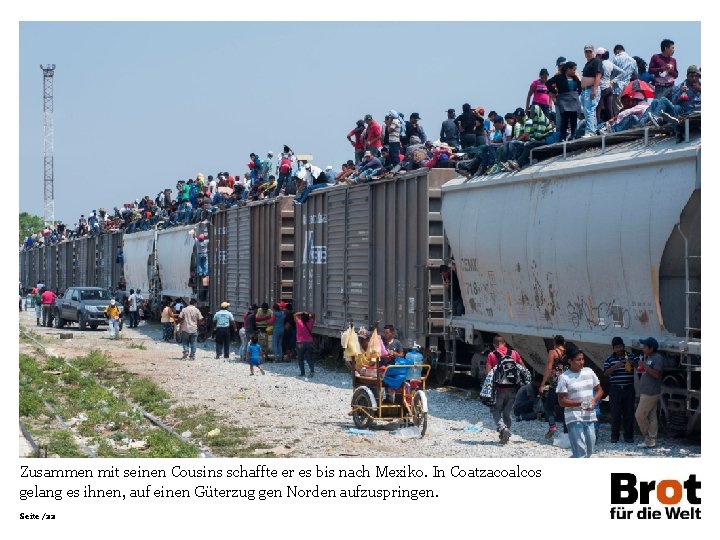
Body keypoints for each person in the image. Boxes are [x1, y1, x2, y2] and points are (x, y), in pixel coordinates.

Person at [557, 347, 604, 458]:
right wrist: (580, 404)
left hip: (589, 416)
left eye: (582, 359)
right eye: (578, 360)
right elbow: (561, 401)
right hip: (573, 417)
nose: (581, 362)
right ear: (570, 361)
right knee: (580, 451)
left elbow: (599, 390)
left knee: (590, 449)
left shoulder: (589, 372)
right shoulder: (564, 378)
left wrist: (593, 400)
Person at [485, 335, 525, 444]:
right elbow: (523, 368)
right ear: (505, 343)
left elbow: (488, 374)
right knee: (507, 413)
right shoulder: (514, 353)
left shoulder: (492, 355)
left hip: (499, 389)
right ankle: (506, 433)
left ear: (494, 345)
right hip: (512, 389)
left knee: (495, 410)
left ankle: (503, 429)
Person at [603, 337, 638, 443]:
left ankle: (628, 436)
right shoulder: (610, 359)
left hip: (628, 388)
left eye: (621, 346)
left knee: (629, 413)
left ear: (623, 346)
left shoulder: (630, 356)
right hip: (615, 388)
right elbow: (605, 373)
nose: (619, 349)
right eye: (617, 347)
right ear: (613, 349)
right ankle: (614, 436)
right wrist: (615, 366)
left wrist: (631, 363)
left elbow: (639, 366)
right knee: (615, 413)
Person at [634, 337, 667, 449]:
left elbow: (656, 374)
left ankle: (649, 437)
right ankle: (651, 440)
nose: (643, 348)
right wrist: (641, 366)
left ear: (651, 348)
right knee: (652, 416)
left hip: (651, 392)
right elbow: (647, 372)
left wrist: (644, 365)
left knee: (639, 415)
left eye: (645, 346)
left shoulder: (657, 358)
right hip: (647, 391)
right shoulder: (649, 357)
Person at [539, 335, 567, 439]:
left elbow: (549, 368)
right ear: (564, 343)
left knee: (549, 407)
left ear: (554, 343)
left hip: (555, 384)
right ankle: (566, 433)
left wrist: (543, 384)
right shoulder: (567, 353)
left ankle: (552, 426)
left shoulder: (553, 352)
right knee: (565, 408)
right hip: (566, 384)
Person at [546, 61, 582, 141]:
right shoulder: (559, 78)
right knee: (564, 119)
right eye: (573, 69)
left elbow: (580, 86)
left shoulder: (575, 78)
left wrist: (577, 93)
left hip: (573, 100)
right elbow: (548, 83)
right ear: (568, 69)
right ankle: (563, 137)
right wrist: (554, 92)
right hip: (564, 100)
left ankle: (573, 135)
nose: (574, 71)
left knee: (573, 119)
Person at [580, 43, 603, 137]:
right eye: (586, 52)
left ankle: (590, 131)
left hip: (591, 89)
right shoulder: (587, 64)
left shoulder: (596, 61)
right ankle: (593, 129)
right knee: (587, 111)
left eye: (590, 51)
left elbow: (598, 75)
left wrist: (594, 89)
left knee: (589, 110)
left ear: (593, 52)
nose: (588, 53)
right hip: (585, 90)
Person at [294, 311, 315, 377]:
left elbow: (295, 315)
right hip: (309, 342)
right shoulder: (311, 322)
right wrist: (307, 314)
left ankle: (302, 373)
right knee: (309, 358)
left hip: (300, 343)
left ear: (301, 317)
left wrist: (302, 312)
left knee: (300, 359)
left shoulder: (298, 322)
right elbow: (313, 314)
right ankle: (312, 371)